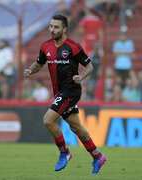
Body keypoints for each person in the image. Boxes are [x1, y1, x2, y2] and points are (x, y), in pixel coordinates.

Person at [23, 14, 106, 174]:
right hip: (59, 92)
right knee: (77, 128)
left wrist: (81, 77)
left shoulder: (73, 46)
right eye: (51, 26)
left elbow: (89, 66)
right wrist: (30, 71)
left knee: (48, 120)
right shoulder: (46, 46)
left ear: (65, 29)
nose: (52, 30)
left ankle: (64, 153)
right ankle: (98, 156)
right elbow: (39, 64)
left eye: (56, 27)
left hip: (71, 91)